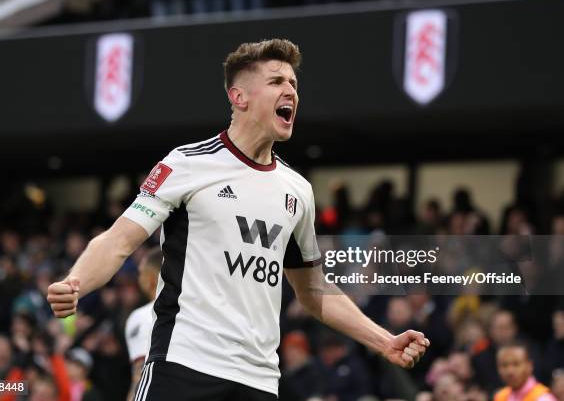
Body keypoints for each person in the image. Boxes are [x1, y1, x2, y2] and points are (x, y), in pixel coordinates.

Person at [47, 38, 430, 401]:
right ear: (239, 96)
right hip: (184, 365)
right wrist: (76, 282)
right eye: (277, 81)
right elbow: (118, 241)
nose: (291, 92)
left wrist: (383, 340)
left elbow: (313, 291)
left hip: (258, 380)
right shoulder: (187, 164)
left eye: (294, 84)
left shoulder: (297, 191)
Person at [124, 247, 162, 401]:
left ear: (151, 278)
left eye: (140, 273)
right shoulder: (193, 310)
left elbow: (139, 376)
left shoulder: (143, 316)